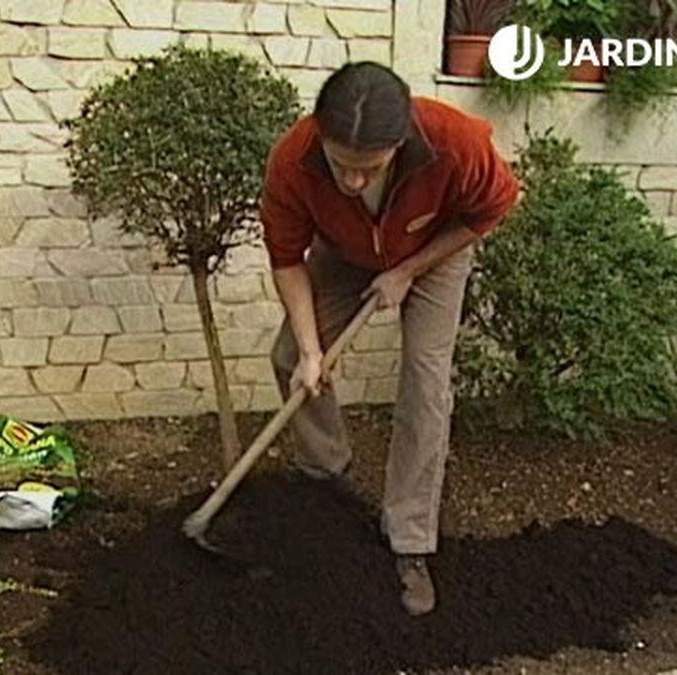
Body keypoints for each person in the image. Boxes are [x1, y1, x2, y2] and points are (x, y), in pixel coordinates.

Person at [261, 62, 520, 616]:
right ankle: (326, 473)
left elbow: (490, 210)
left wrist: (408, 270)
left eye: (370, 169)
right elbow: (287, 259)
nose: (354, 181)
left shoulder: (457, 142)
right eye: (341, 167)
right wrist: (312, 352)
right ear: (320, 135)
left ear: (400, 143)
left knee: (425, 386)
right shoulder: (292, 159)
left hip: (435, 252)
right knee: (288, 357)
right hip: (344, 251)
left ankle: (410, 539)